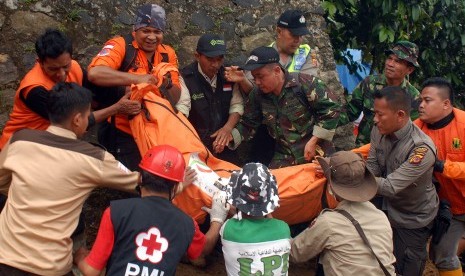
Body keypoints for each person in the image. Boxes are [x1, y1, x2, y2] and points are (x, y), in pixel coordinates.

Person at [0, 82, 140, 275]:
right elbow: (140, 182)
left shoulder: (19, 140)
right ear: (77, 119)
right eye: (88, 114)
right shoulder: (94, 158)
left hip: (4, 257)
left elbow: (2, 183)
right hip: (49, 266)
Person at [74, 145, 230, 275]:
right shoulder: (186, 224)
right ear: (176, 186)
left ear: (140, 177)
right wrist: (217, 219)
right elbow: (203, 249)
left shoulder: (116, 212)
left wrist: (79, 256)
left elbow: (91, 271)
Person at [0, 28, 140, 151]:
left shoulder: (74, 67)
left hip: (48, 146)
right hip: (18, 151)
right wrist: (117, 108)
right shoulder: (34, 89)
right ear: (40, 62)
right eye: (53, 69)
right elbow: (74, 123)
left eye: (65, 66)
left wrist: (134, 90)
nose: (61, 74)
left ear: (71, 58)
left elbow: (102, 93)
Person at [87, 3, 183, 170]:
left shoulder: (168, 53)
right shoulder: (121, 45)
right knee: (129, 182)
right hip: (122, 130)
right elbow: (95, 74)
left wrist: (163, 82)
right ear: (135, 30)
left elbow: (175, 95)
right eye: (146, 30)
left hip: (155, 129)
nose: (152, 37)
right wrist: (140, 80)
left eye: (157, 32)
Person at [227, 46, 341, 168]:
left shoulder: (305, 84)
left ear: (276, 71)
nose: (257, 82)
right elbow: (249, 123)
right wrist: (230, 136)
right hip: (285, 157)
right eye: (255, 78)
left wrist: (314, 140)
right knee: (273, 184)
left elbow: (332, 110)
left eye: (261, 76)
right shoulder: (257, 95)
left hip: (317, 151)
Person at [366, 86, 439, 276]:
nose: (375, 119)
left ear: (400, 114)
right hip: (383, 210)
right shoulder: (378, 130)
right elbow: (372, 166)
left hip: (412, 218)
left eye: (380, 114)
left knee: (406, 268)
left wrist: (354, 176)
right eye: (375, 113)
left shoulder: (421, 148)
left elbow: (390, 186)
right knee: (378, 263)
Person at [291, 151, 396, 275]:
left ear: (331, 187)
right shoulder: (380, 217)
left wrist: (279, 231)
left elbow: (296, 253)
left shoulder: (329, 222)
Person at [414, 77, 465, 276]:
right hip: (452, 209)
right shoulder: (417, 128)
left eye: (427, 100)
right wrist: (349, 156)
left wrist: (443, 166)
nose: (421, 105)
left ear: (446, 104)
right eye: (421, 100)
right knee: (441, 255)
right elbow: (384, 145)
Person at [181, 34, 251, 164]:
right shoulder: (185, 77)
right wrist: (193, 142)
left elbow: (237, 105)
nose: (216, 64)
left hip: (225, 142)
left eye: (220, 59)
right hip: (195, 144)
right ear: (197, 56)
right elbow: (182, 112)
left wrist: (227, 128)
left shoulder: (229, 74)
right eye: (210, 59)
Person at [345, 40, 421, 147]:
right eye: (390, 58)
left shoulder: (414, 98)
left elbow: (412, 133)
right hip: (363, 148)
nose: (390, 64)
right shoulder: (369, 83)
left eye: (397, 61)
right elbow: (349, 112)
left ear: (409, 69)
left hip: (393, 153)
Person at [221, 162, 291, 275]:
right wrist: (263, 208)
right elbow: (269, 220)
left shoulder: (228, 229)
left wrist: (216, 219)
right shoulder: (284, 229)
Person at [271, 9, 318, 75]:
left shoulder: (309, 54)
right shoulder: (261, 56)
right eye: (294, 35)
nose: (298, 40)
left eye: (301, 35)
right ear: (279, 32)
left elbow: (308, 81)